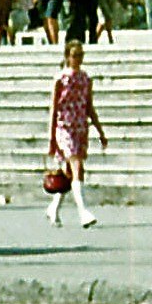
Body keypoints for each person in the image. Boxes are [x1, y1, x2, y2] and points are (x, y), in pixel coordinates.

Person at [45, 38, 107, 230]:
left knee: (71, 172)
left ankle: (53, 208)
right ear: (67, 57)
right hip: (64, 128)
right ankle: (83, 212)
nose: (78, 59)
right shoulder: (60, 79)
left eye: (80, 55)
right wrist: (51, 137)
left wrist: (100, 130)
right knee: (77, 166)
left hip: (81, 127)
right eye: (74, 56)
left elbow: (89, 106)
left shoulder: (85, 79)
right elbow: (54, 109)